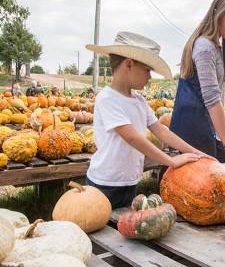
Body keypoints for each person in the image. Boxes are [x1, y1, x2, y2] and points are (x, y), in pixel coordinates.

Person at [84, 31, 213, 209]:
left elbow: (162, 132)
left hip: (129, 181)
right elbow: (133, 138)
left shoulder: (139, 101)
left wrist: (195, 152)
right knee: (99, 226)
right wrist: (171, 161)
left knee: (121, 229)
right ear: (129, 64)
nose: (150, 77)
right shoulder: (107, 99)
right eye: (147, 70)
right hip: (105, 183)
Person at [170, 0, 225, 175]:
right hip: (194, 125)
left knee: (218, 174)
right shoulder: (204, 47)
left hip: (205, 123)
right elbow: (212, 100)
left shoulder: (216, 47)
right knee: (203, 181)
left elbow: (219, 98)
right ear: (215, 15)